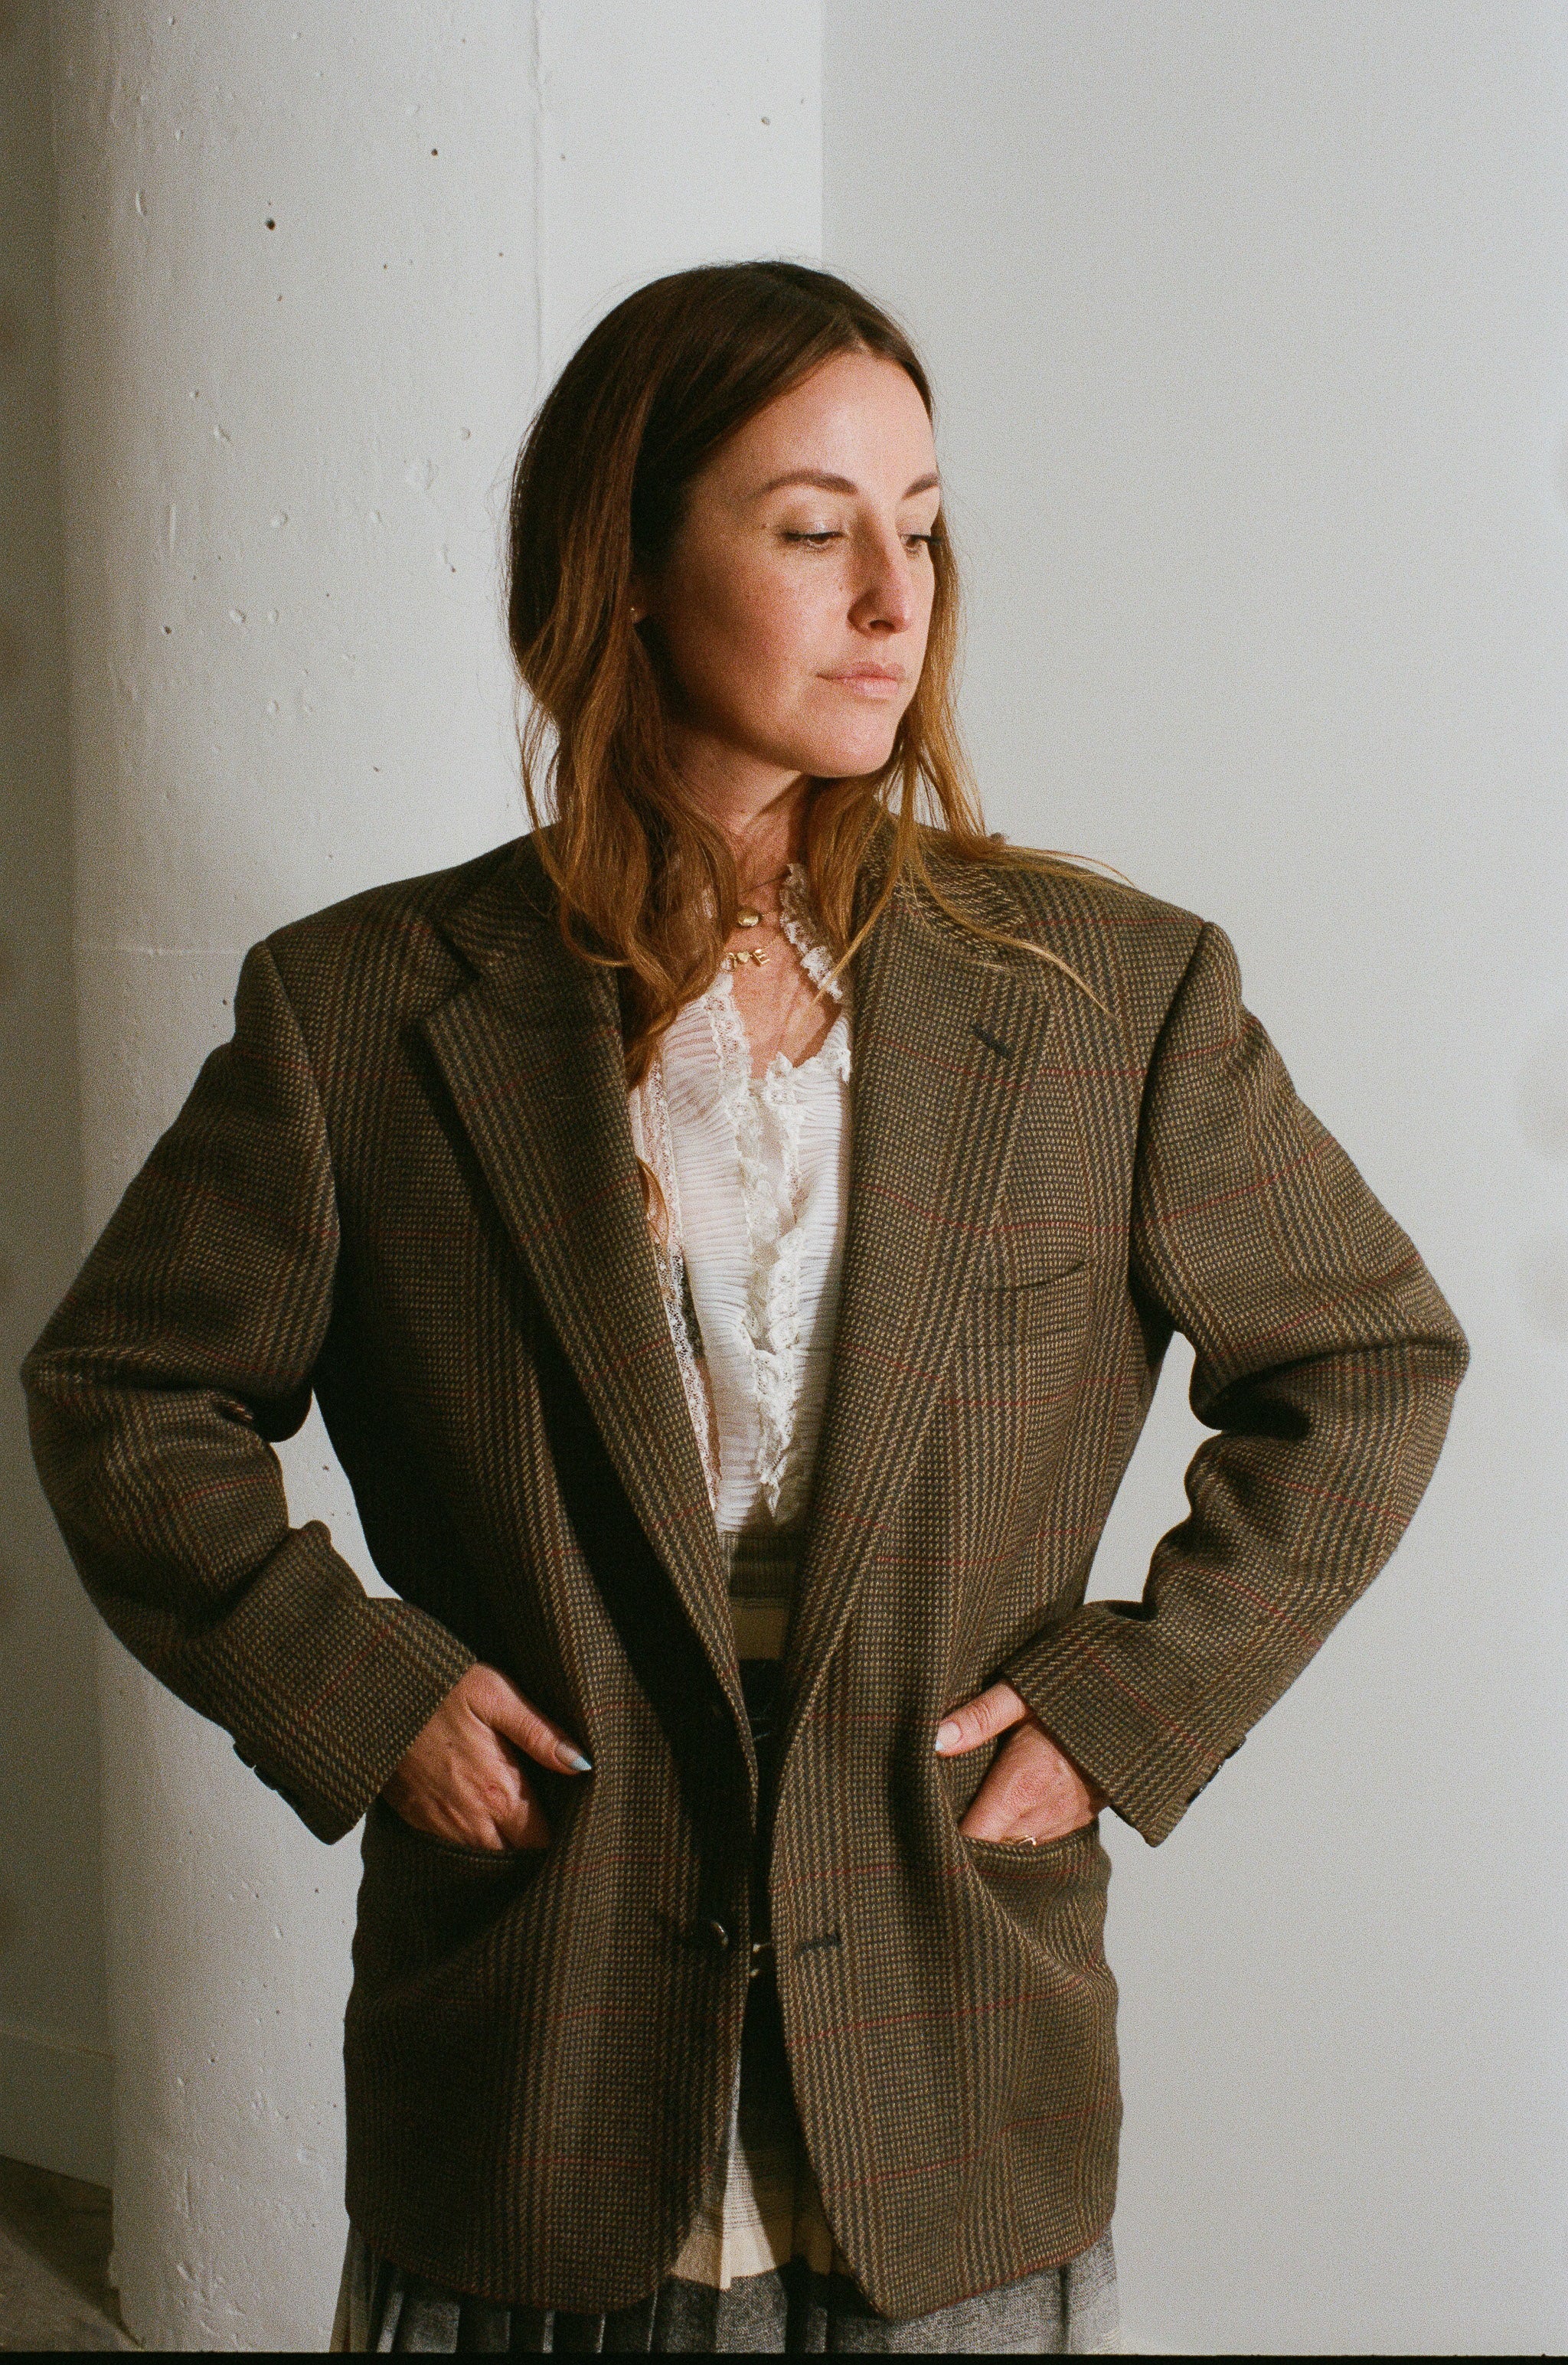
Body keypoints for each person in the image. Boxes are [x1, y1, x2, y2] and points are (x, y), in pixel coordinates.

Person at [22, 262, 1468, 2354]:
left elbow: (1367, 1357)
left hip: (954, 2060)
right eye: (812, 530)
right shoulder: (362, 1011)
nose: (895, 599)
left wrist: (1130, 1704)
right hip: (533, 2046)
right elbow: (127, 1390)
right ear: (622, 568)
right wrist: (352, 1684)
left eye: (923, 527)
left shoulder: (1112, 996)